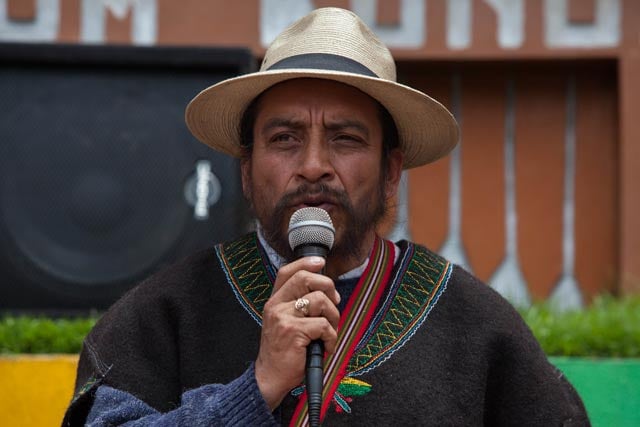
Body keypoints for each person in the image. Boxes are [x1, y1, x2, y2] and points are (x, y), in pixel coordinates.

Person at [63, 7, 589, 427]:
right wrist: (256, 390)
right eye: (285, 139)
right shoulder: (162, 314)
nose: (314, 166)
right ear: (246, 171)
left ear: (390, 172)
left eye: (346, 138)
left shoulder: (478, 325)